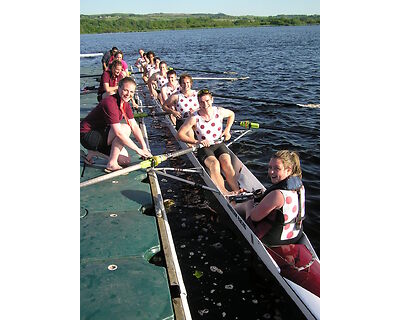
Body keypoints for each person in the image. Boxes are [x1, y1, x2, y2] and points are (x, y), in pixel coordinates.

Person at [81, 77, 152, 172]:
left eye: (131, 92)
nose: (128, 94)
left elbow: (134, 126)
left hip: (102, 134)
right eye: (126, 90)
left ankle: (94, 152)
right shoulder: (110, 103)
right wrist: (138, 150)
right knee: (125, 129)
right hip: (87, 135)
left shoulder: (125, 104)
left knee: (125, 160)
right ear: (118, 88)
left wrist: (144, 148)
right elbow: (118, 133)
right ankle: (112, 163)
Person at [177, 89, 241, 196]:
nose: (205, 104)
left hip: (218, 144)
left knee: (226, 163)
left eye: (207, 101)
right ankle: (225, 193)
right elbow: (179, 135)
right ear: (198, 102)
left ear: (212, 100)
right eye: (201, 102)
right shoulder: (194, 118)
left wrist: (227, 130)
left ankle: (238, 191)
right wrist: (197, 141)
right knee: (214, 164)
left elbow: (231, 114)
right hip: (204, 147)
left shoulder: (219, 111)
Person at [245, 150, 305, 245]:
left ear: (288, 170)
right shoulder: (300, 187)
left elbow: (254, 218)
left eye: (277, 168)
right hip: (296, 235)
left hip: (274, 239)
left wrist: (250, 204)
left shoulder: (277, 195)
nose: (271, 172)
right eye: (270, 167)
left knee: (248, 204)